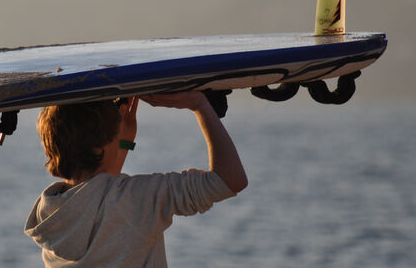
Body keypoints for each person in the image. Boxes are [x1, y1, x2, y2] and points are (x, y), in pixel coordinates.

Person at [24, 92, 248, 267]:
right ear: (101, 144)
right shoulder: (137, 199)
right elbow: (230, 180)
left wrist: (124, 140)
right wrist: (200, 105)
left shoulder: (52, 211)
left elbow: (101, 194)